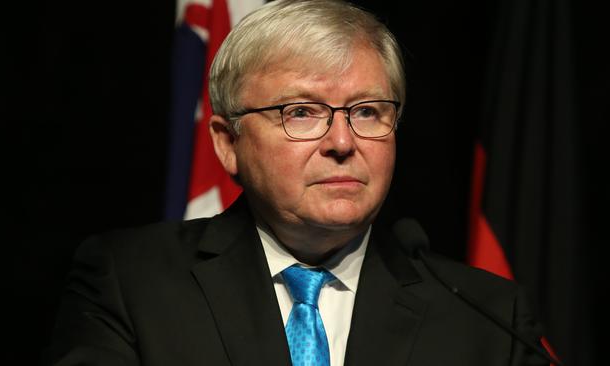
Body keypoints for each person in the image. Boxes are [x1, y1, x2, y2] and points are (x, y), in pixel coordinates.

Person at [44, 0, 548, 365]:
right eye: (302, 112)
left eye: (367, 111)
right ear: (227, 142)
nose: (342, 142)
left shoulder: (487, 318)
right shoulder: (132, 284)